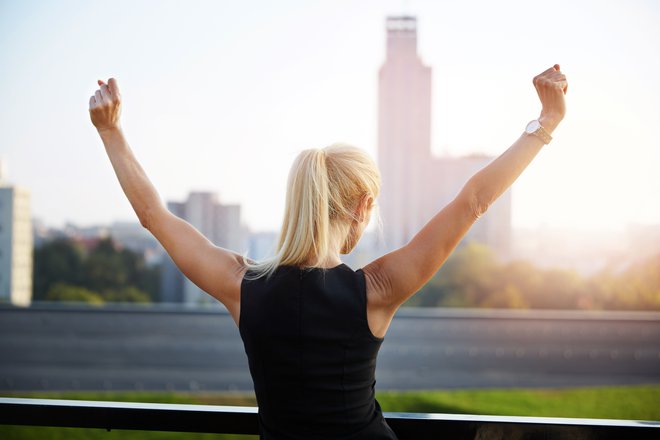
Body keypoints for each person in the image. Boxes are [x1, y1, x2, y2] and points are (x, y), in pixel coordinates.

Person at [89, 64, 568, 439]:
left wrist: (111, 131)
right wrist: (545, 124)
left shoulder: (241, 286)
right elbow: (473, 202)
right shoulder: (377, 290)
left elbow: (154, 216)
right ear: (362, 206)